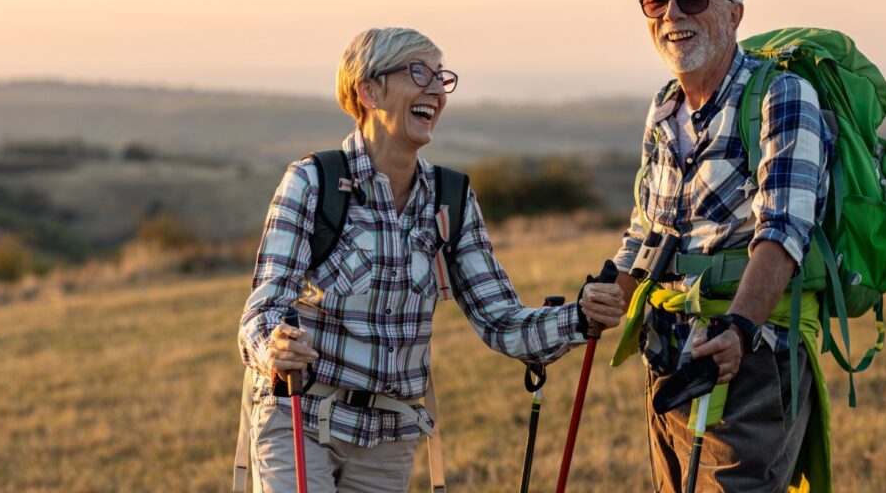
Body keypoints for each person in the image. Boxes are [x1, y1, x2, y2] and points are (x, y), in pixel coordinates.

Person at [237, 27, 626, 493]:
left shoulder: (451, 199)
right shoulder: (312, 182)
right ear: (368, 90)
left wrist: (581, 319)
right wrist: (273, 347)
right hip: (299, 417)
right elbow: (261, 312)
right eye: (418, 72)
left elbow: (501, 322)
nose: (436, 90)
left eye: (442, 77)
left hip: (389, 438)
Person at [610, 0, 834, 492]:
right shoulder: (664, 106)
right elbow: (646, 231)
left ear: (735, 14)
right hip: (668, 357)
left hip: (752, 357)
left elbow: (783, 232)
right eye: (656, 3)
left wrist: (738, 328)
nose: (672, 15)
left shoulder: (782, 95)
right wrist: (607, 289)